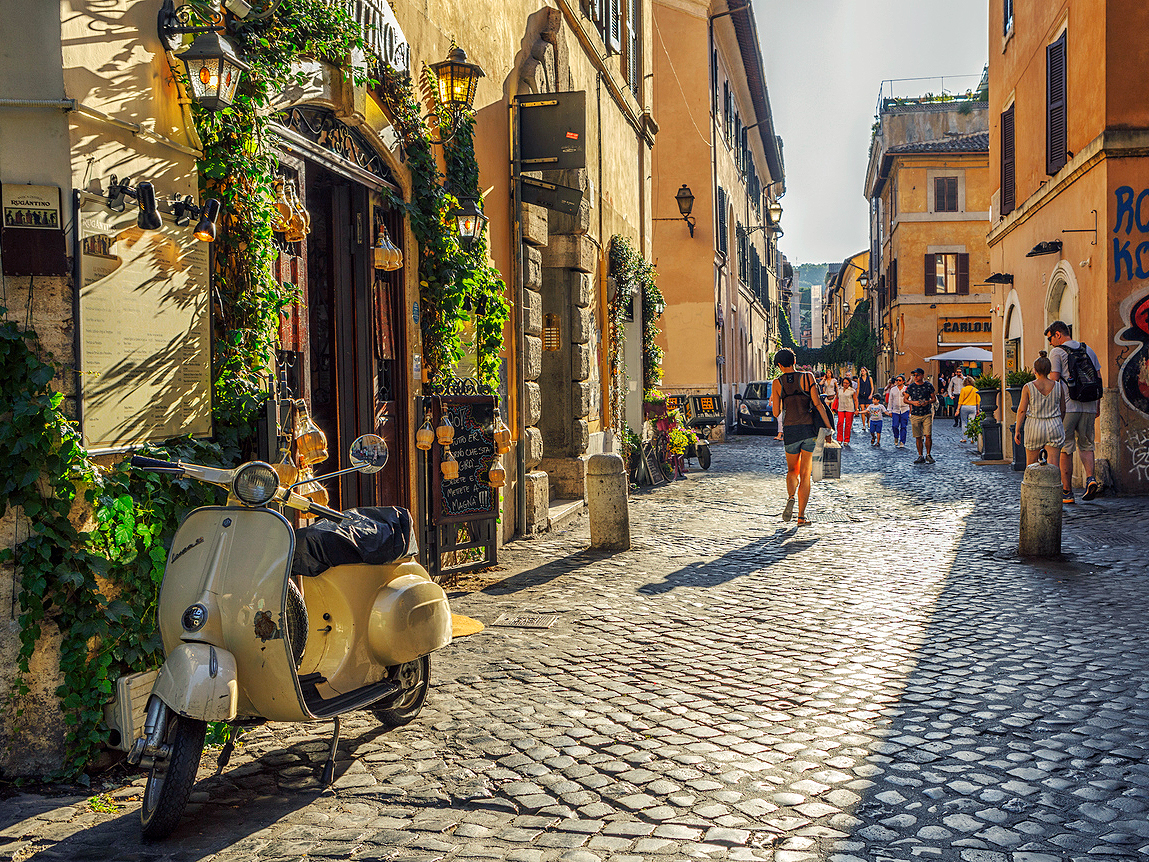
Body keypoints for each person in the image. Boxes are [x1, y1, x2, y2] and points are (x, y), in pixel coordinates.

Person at [771, 349, 834, 527]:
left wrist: (781, 397)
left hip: (790, 431)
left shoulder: (777, 382)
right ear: (794, 361)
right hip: (808, 431)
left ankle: (791, 497)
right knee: (805, 474)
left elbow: (776, 412)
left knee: (792, 471)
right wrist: (828, 429)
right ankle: (800, 517)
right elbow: (818, 405)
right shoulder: (808, 377)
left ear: (780, 365)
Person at [1046, 321, 1103, 503]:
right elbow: (1098, 378)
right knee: (1086, 445)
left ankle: (1067, 492)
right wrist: (1097, 405)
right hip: (1089, 404)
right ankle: (1090, 478)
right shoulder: (1088, 349)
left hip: (1068, 406)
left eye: (1050, 338)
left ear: (1058, 334)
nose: (1050, 343)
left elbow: (1054, 380)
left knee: (1066, 448)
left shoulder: (1057, 352)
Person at [1013, 351, 1066, 467]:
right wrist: (1058, 421)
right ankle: (1053, 485)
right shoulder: (1058, 386)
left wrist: (1017, 430)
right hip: (1054, 425)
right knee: (1054, 466)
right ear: (1049, 370)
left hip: (1034, 426)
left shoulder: (1028, 387)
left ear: (1035, 370)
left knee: (1031, 465)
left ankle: (1032, 485)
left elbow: (1022, 410)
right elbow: (1063, 409)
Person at [904, 367, 937, 463]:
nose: (915, 377)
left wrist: (928, 402)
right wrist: (913, 403)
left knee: (928, 435)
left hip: (926, 413)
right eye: (914, 375)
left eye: (917, 375)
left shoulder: (928, 386)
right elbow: (905, 399)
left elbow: (934, 398)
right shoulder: (911, 387)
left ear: (922, 375)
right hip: (915, 414)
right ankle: (920, 455)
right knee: (918, 436)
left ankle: (928, 454)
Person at [887, 374, 910, 448]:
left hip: (904, 409)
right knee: (894, 426)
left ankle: (902, 441)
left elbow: (910, 400)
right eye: (897, 380)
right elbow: (890, 400)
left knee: (903, 426)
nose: (897, 381)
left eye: (899, 380)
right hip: (895, 410)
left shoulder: (906, 389)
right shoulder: (893, 389)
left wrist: (906, 395)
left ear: (903, 381)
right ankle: (896, 437)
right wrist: (889, 410)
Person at [835, 375, 857, 445]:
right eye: (844, 383)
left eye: (847, 383)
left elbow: (855, 400)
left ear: (849, 383)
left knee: (848, 425)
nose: (845, 384)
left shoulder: (852, 391)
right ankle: (839, 439)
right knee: (840, 423)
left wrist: (856, 409)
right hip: (841, 408)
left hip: (849, 409)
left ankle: (846, 439)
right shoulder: (839, 390)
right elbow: (836, 398)